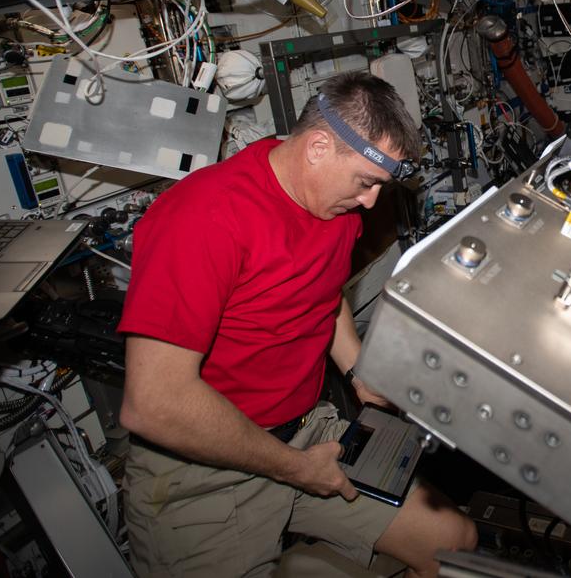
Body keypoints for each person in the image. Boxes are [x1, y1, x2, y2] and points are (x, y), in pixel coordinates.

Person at [117, 71, 476, 577]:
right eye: (367, 181)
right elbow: (153, 404)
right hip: (207, 470)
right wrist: (296, 469)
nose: (372, 202)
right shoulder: (204, 218)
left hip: (307, 433)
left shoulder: (335, 206)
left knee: (453, 543)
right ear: (318, 147)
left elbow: (324, 295)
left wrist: (356, 369)